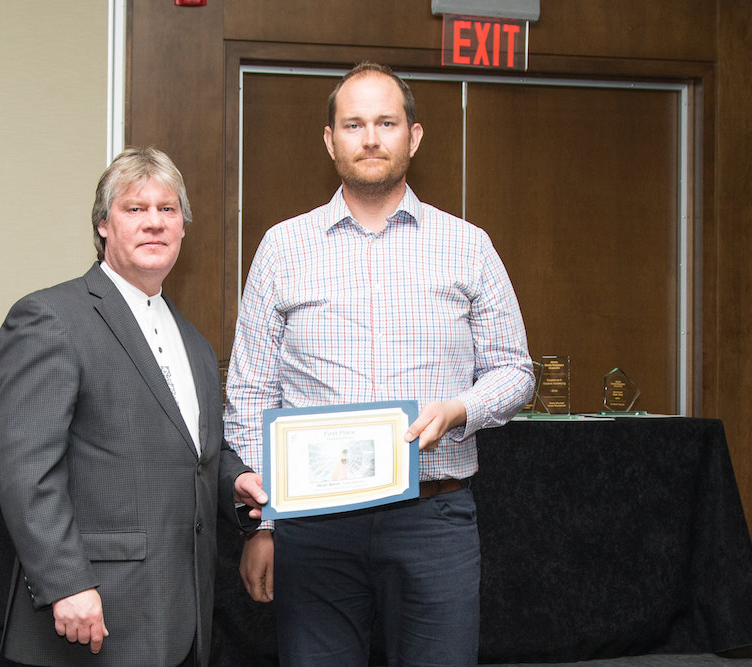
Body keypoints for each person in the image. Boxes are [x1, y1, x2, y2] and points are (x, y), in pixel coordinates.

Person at [224, 63, 534, 666]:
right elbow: (251, 393)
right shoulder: (282, 248)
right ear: (330, 139)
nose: (370, 138)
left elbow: (515, 371)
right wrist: (263, 526)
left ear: (413, 137)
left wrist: (460, 408)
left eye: (386, 123)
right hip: (313, 527)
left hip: (433, 518)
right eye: (354, 124)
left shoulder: (468, 246)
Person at [0, 146, 267, 667]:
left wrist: (234, 481)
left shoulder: (196, 343)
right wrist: (65, 582)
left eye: (167, 209)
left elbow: (194, 454)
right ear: (103, 225)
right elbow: (24, 470)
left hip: (181, 617)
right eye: (135, 208)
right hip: (90, 613)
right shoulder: (50, 317)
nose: (154, 222)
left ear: (182, 227)